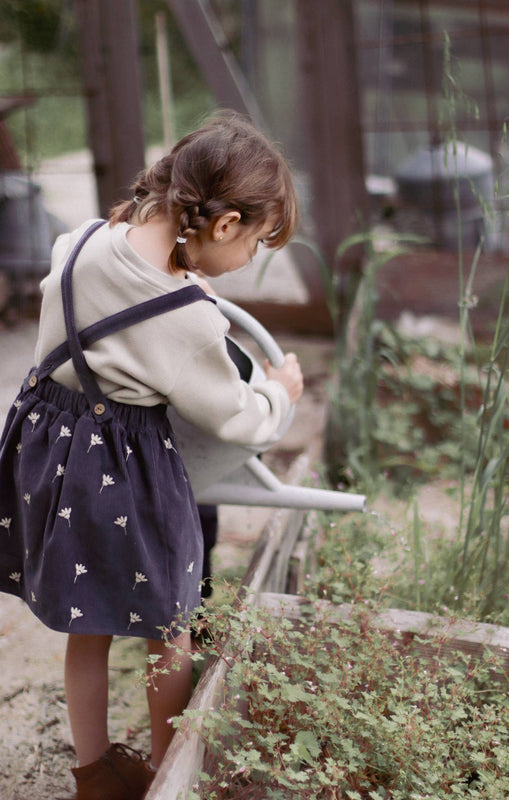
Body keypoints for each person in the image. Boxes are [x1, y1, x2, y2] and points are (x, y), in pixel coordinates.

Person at [0, 111, 303, 800]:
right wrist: (278, 393)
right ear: (224, 225)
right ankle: (171, 773)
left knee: (88, 623)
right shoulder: (186, 318)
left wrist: (185, 284)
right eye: (256, 243)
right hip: (125, 471)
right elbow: (231, 415)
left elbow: (118, 290)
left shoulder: (82, 242)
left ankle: (95, 774)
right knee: (171, 622)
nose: (250, 259)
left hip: (52, 450)